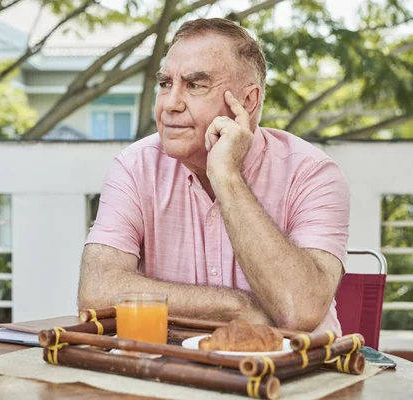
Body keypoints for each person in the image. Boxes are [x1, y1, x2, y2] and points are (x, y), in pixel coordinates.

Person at [77, 18, 349, 333]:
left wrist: (227, 176)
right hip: (174, 370)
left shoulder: (311, 173)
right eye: (166, 84)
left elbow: (300, 310)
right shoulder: (135, 166)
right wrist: (239, 307)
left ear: (247, 102)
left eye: (195, 85)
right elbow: (96, 291)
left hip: (294, 374)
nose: (170, 105)